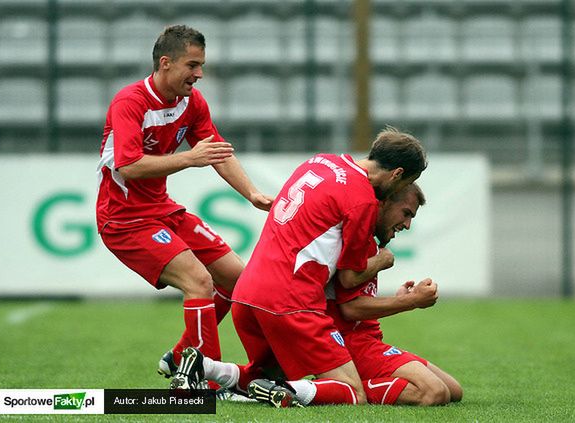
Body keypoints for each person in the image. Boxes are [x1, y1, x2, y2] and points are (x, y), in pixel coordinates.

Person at [170, 127, 428, 406]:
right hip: (290, 300)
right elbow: (350, 279)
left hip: (246, 293)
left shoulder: (320, 161)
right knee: (352, 393)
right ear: (397, 174)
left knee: (263, 374)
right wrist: (383, 260)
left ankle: (204, 367)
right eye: (405, 184)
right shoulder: (362, 199)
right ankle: (286, 392)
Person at [95, 25, 272, 377]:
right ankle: (201, 381)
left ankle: (181, 357)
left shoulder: (191, 102)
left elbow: (216, 150)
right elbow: (129, 167)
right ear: (165, 63)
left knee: (239, 280)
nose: (199, 74)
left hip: (163, 210)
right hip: (125, 219)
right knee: (198, 281)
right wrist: (190, 158)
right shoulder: (130, 102)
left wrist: (251, 193)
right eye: (192, 65)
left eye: (201, 65)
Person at [326, 183, 463, 406]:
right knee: (435, 393)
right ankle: (347, 387)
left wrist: (402, 297)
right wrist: (411, 301)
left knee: (454, 390)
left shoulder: (369, 241)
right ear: (385, 202)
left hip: (367, 341)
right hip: (349, 344)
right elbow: (349, 309)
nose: (407, 225)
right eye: (406, 213)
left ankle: (351, 382)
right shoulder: (358, 239)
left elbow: (354, 299)